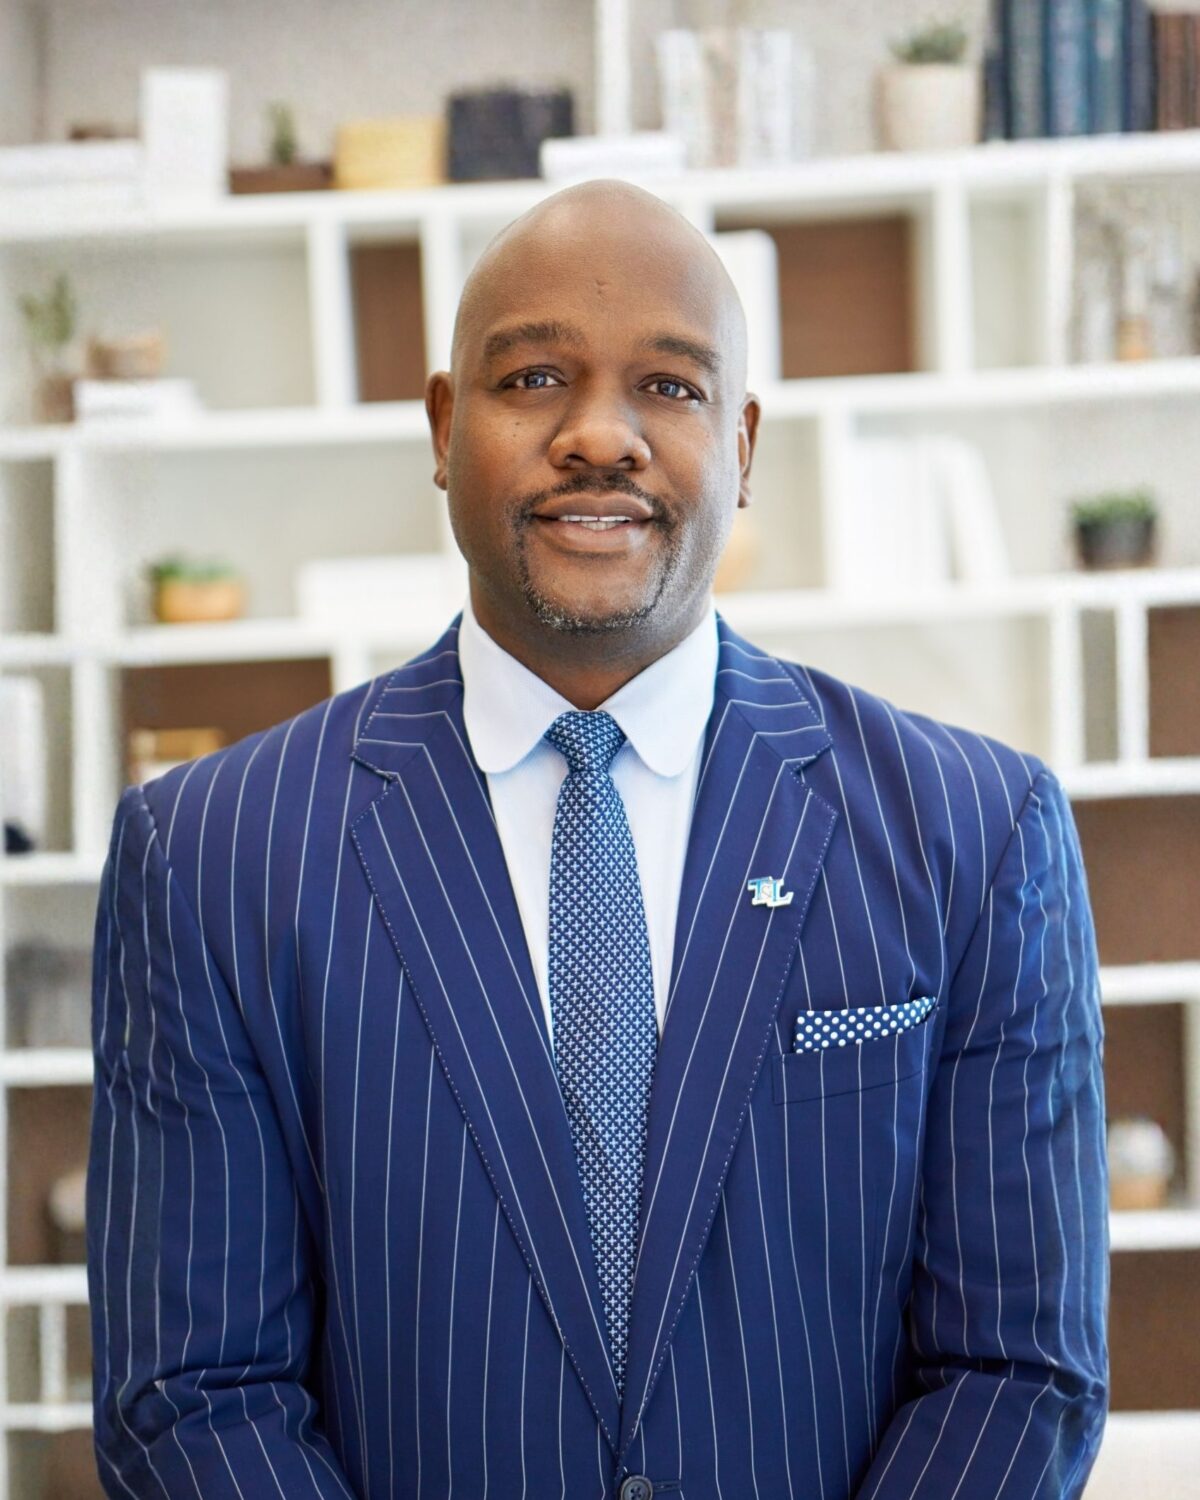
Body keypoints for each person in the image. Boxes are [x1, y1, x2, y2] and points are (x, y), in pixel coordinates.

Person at [87, 179, 1108, 1500]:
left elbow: (1017, 1370)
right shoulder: (213, 856)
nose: (600, 436)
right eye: (535, 378)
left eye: (670, 390)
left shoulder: (976, 834)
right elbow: (191, 1392)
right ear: (447, 430)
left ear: (745, 445)